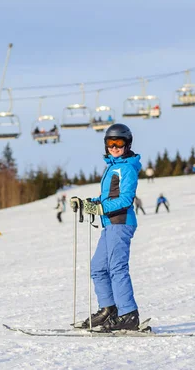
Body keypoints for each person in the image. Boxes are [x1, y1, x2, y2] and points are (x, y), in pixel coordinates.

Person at [71, 123, 142, 331]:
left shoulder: (127, 168)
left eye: (119, 142)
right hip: (110, 223)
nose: (114, 147)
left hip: (121, 223)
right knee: (98, 268)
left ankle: (128, 314)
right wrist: (87, 203)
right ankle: (108, 309)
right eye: (110, 143)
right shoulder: (113, 166)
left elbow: (126, 199)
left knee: (117, 268)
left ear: (127, 144)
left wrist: (99, 207)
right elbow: (107, 197)